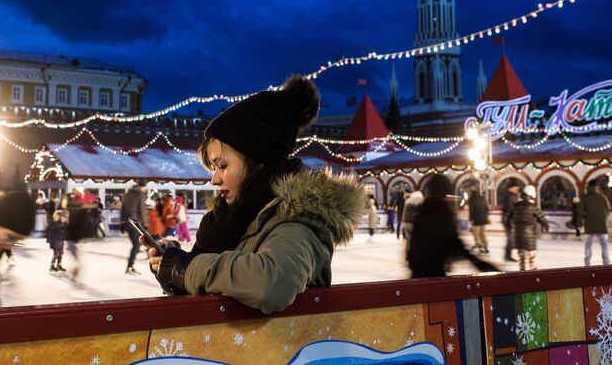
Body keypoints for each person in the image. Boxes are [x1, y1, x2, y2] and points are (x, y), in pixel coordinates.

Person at [146, 75, 364, 314]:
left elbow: (271, 284)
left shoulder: (299, 220)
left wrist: (186, 268)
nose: (214, 179)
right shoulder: (233, 220)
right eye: (213, 167)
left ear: (258, 162)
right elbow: (218, 285)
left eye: (222, 165)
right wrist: (172, 265)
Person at [408, 174, 498, 278]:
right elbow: (454, 245)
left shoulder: (421, 213)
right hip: (434, 274)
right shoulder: (442, 213)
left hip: (418, 273)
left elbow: (413, 247)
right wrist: (479, 264)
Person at [504, 185, 549, 271]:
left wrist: (509, 227)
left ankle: (522, 274)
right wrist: (546, 226)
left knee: (521, 258)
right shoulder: (533, 206)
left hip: (517, 234)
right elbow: (542, 218)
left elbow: (507, 217)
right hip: (529, 235)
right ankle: (533, 276)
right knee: (532, 258)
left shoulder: (515, 205)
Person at [580, 179, 611, 266]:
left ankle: (587, 262)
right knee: (604, 244)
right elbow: (608, 210)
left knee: (588, 244)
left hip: (589, 225)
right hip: (601, 225)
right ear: (596, 187)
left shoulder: (584, 197)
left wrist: (579, 223)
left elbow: (580, 211)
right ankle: (606, 262)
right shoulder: (602, 197)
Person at [120, 181, 148, 275]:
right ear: (143, 187)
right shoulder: (140, 195)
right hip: (135, 223)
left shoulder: (128, 193)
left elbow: (123, 208)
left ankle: (130, 266)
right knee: (137, 245)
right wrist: (145, 224)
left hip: (127, 222)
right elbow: (142, 210)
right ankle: (129, 267)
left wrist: (122, 223)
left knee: (136, 245)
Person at [500, 182, 521, 262]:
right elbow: (510, 209)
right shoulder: (510, 196)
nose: (517, 189)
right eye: (515, 188)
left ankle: (508, 255)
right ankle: (507, 256)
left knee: (511, 239)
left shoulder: (512, 196)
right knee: (511, 239)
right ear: (511, 188)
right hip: (509, 221)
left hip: (509, 220)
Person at [468, 190, 490, 255]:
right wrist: (486, 217)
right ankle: (485, 247)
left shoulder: (471, 199)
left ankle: (480, 246)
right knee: (482, 233)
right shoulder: (483, 198)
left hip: (476, 219)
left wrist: (470, 219)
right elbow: (486, 208)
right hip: (483, 219)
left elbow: (471, 210)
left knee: (476, 234)